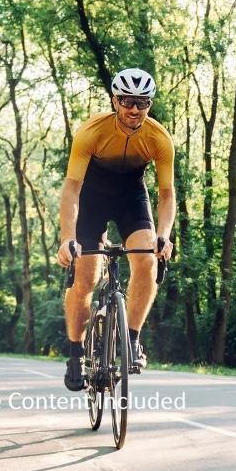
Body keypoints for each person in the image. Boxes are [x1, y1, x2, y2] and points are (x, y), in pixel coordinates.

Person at [56, 68, 175, 391]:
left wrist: (164, 236)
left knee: (148, 260)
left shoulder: (159, 138)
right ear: (114, 100)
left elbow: (167, 195)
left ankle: (131, 341)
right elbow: (71, 188)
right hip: (92, 197)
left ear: (149, 105)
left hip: (131, 196)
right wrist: (68, 238)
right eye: (126, 101)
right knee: (86, 279)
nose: (133, 109)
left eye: (141, 102)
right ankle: (76, 352)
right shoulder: (92, 131)